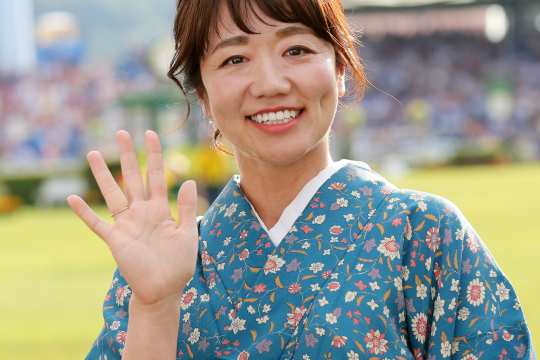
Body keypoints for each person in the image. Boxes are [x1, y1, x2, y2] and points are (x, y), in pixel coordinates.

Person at [67, 0, 535, 359]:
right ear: (204, 95)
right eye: (235, 60)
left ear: (341, 69)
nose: (270, 82)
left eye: (296, 49)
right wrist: (154, 307)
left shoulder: (426, 233)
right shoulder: (161, 263)